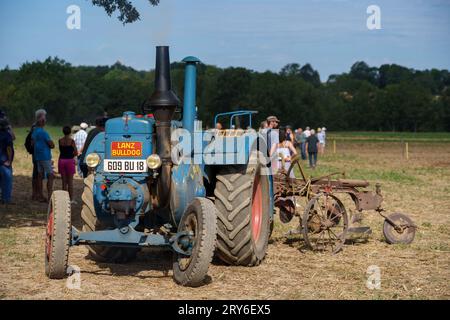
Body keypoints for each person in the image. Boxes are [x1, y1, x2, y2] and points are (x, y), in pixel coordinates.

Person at [32, 113, 55, 202]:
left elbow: (32, 143)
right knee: (50, 176)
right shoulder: (44, 133)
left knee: (40, 176)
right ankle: (49, 196)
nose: (45, 121)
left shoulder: (35, 131)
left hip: (38, 157)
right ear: (41, 121)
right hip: (45, 157)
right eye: (44, 120)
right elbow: (51, 144)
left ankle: (40, 195)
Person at [58, 126, 77, 203]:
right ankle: (71, 199)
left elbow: (61, 150)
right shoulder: (72, 141)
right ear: (70, 132)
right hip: (69, 161)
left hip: (62, 160)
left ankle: (64, 199)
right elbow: (75, 152)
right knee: (70, 182)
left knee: (64, 181)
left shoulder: (60, 141)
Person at [0, 118, 14, 204]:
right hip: (4, 160)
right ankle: (6, 199)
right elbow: (9, 148)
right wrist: (9, 160)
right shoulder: (7, 135)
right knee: (7, 180)